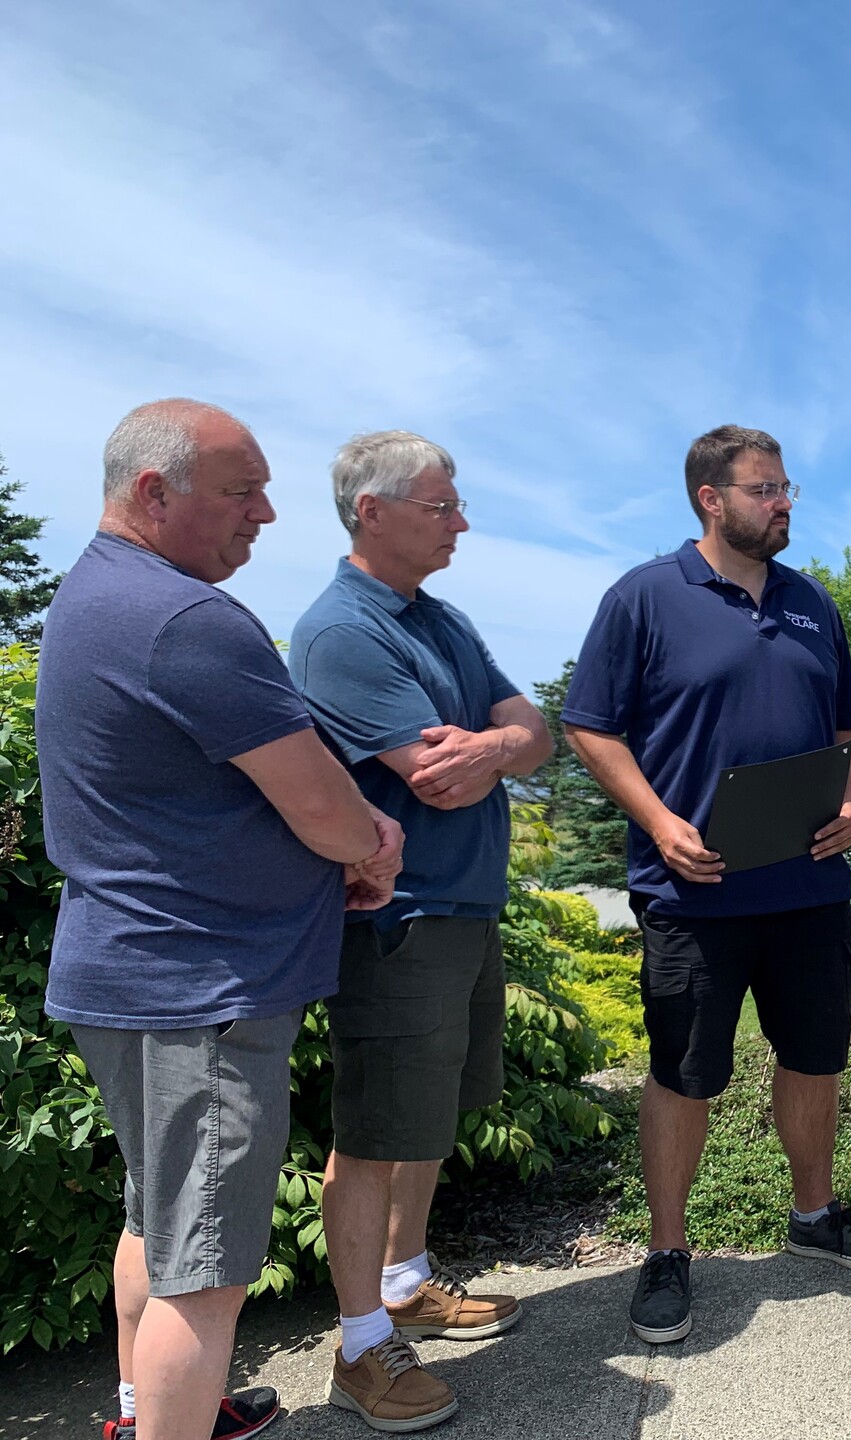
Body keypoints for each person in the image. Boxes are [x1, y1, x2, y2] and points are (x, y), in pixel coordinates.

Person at [36, 400, 402, 1440]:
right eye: (242, 492)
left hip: (128, 973)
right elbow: (325, 806)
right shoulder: (185, 618)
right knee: (208, 1272)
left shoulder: (95, 595)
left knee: (158, 1223)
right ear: (155, 492)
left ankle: (140, 1415)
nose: (269, 514)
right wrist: (372, 843)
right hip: (198, 990)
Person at [561, 424, 851, 1347]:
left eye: (787, 488)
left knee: (815, 1057)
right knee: (684, 1073)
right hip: (693, 894)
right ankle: (668, 1252)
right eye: (765, 490)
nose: (784, 503)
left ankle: (814, 1216)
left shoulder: (809, 603)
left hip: (811, 886)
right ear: (710, 499)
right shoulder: (643, 597)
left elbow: (845, 726)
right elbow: (590, 725)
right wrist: (661, 823)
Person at [288, 432, 552, 1432]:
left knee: (425, 1125)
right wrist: (495, 748)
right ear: (373, 511)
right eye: (442, 507)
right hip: (400, 921)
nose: (461, 523)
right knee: (373, 1134)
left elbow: (532, 732)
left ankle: (405, 1283)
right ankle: (362, 1347)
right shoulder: (342, 632)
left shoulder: (440, 621)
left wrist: (496, 741)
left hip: (463, 908)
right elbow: (431, 772)